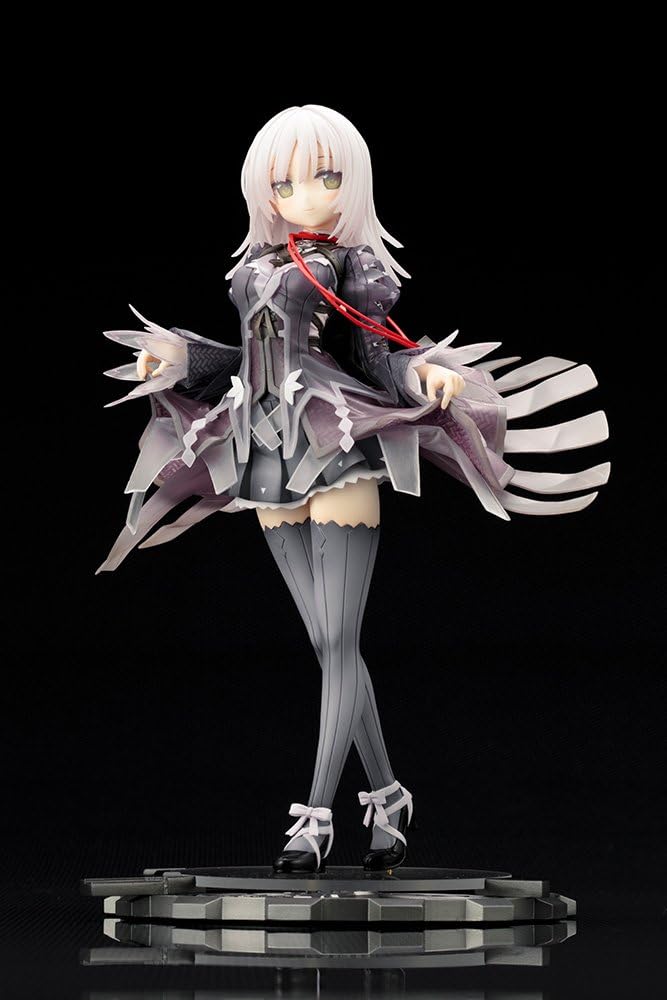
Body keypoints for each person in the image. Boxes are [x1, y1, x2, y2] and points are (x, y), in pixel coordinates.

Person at [96, 104, 611, 874]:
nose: (304, 195)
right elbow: (245, 358)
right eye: (284, 183)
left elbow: (375, 353)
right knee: (325, 644)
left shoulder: (353, 266)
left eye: (325, 178)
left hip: (333, 439)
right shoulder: (254, 266)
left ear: (353, 182)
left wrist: (422, 370)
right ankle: (390, 797)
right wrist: (179, 358)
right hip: (263, 449)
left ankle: (314, 819)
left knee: (337, 642)